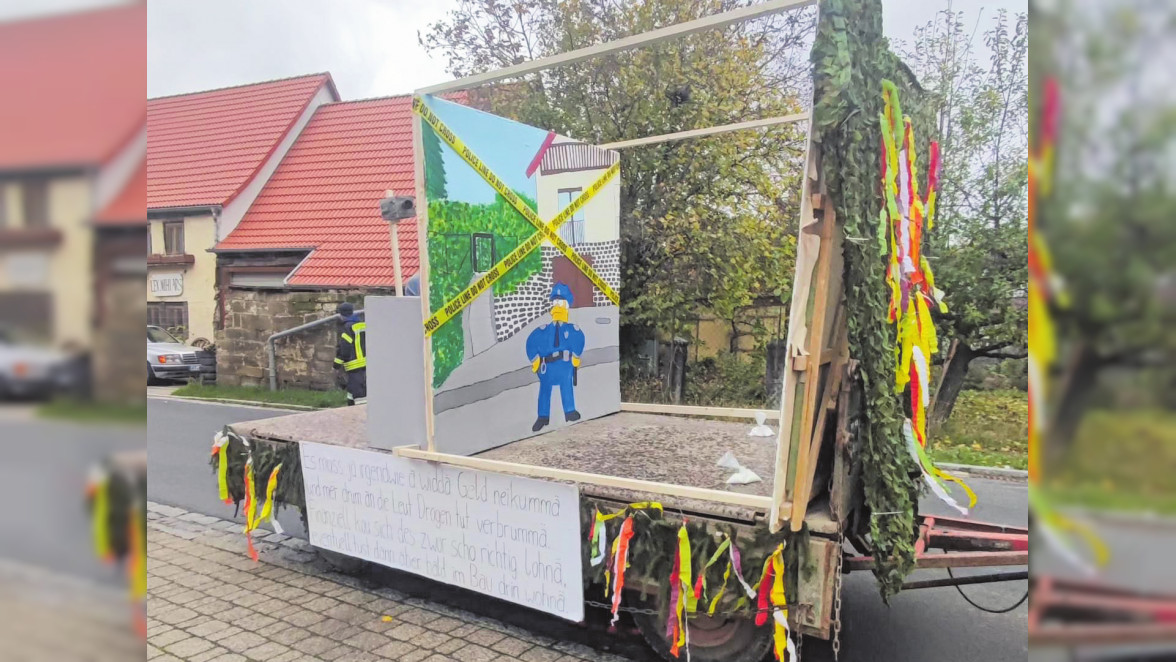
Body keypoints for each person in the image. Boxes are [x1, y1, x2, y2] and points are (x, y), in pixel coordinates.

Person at [525, 283, 585, 432]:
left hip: (565, 366)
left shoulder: (571, 330)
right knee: (544, 390)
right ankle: (543, 417)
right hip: (548, 367)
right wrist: (536, 361)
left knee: (567, 386)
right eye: (555, 302)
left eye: (562, 303)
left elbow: (579, 339)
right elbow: (530, 343)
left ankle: (570, 411)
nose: (558, 306)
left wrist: (576, 357)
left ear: (567, 306)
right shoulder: (543, 331)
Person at [333, 302, 367, 405]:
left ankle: (358, 412)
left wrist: (337, 364)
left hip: (354, 364)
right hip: (366, 363)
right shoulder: (362, 324)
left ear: (342, 315)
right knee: (354, 389)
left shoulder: (347, 327)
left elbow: (344, 348)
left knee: (358, 393)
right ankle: (350, 406)